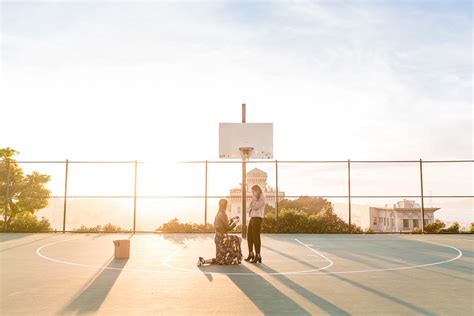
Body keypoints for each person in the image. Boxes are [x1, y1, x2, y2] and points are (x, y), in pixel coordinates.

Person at [197, 199, 242, 266]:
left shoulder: (219, 213)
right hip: (223, 239)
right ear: (225, 205)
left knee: (220, 259)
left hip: (218, 238)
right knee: (238, 239)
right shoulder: (223, 214)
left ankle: (203, 261)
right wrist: (235, 222)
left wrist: (231, 220)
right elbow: (228, 228)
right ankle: (236, 256)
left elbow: (224, 226)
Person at [245, 184, 265, 263]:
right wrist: (252, 204)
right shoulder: (255, 198)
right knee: (249, 236)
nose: (252, 193)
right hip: (252, 217)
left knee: (256, 237)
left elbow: (255, 207)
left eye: (253, 191)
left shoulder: (262, 198)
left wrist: (252, 204)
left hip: (257, 218)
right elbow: (248, 208)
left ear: (257, 191)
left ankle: (258, 255)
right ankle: (251, 254)